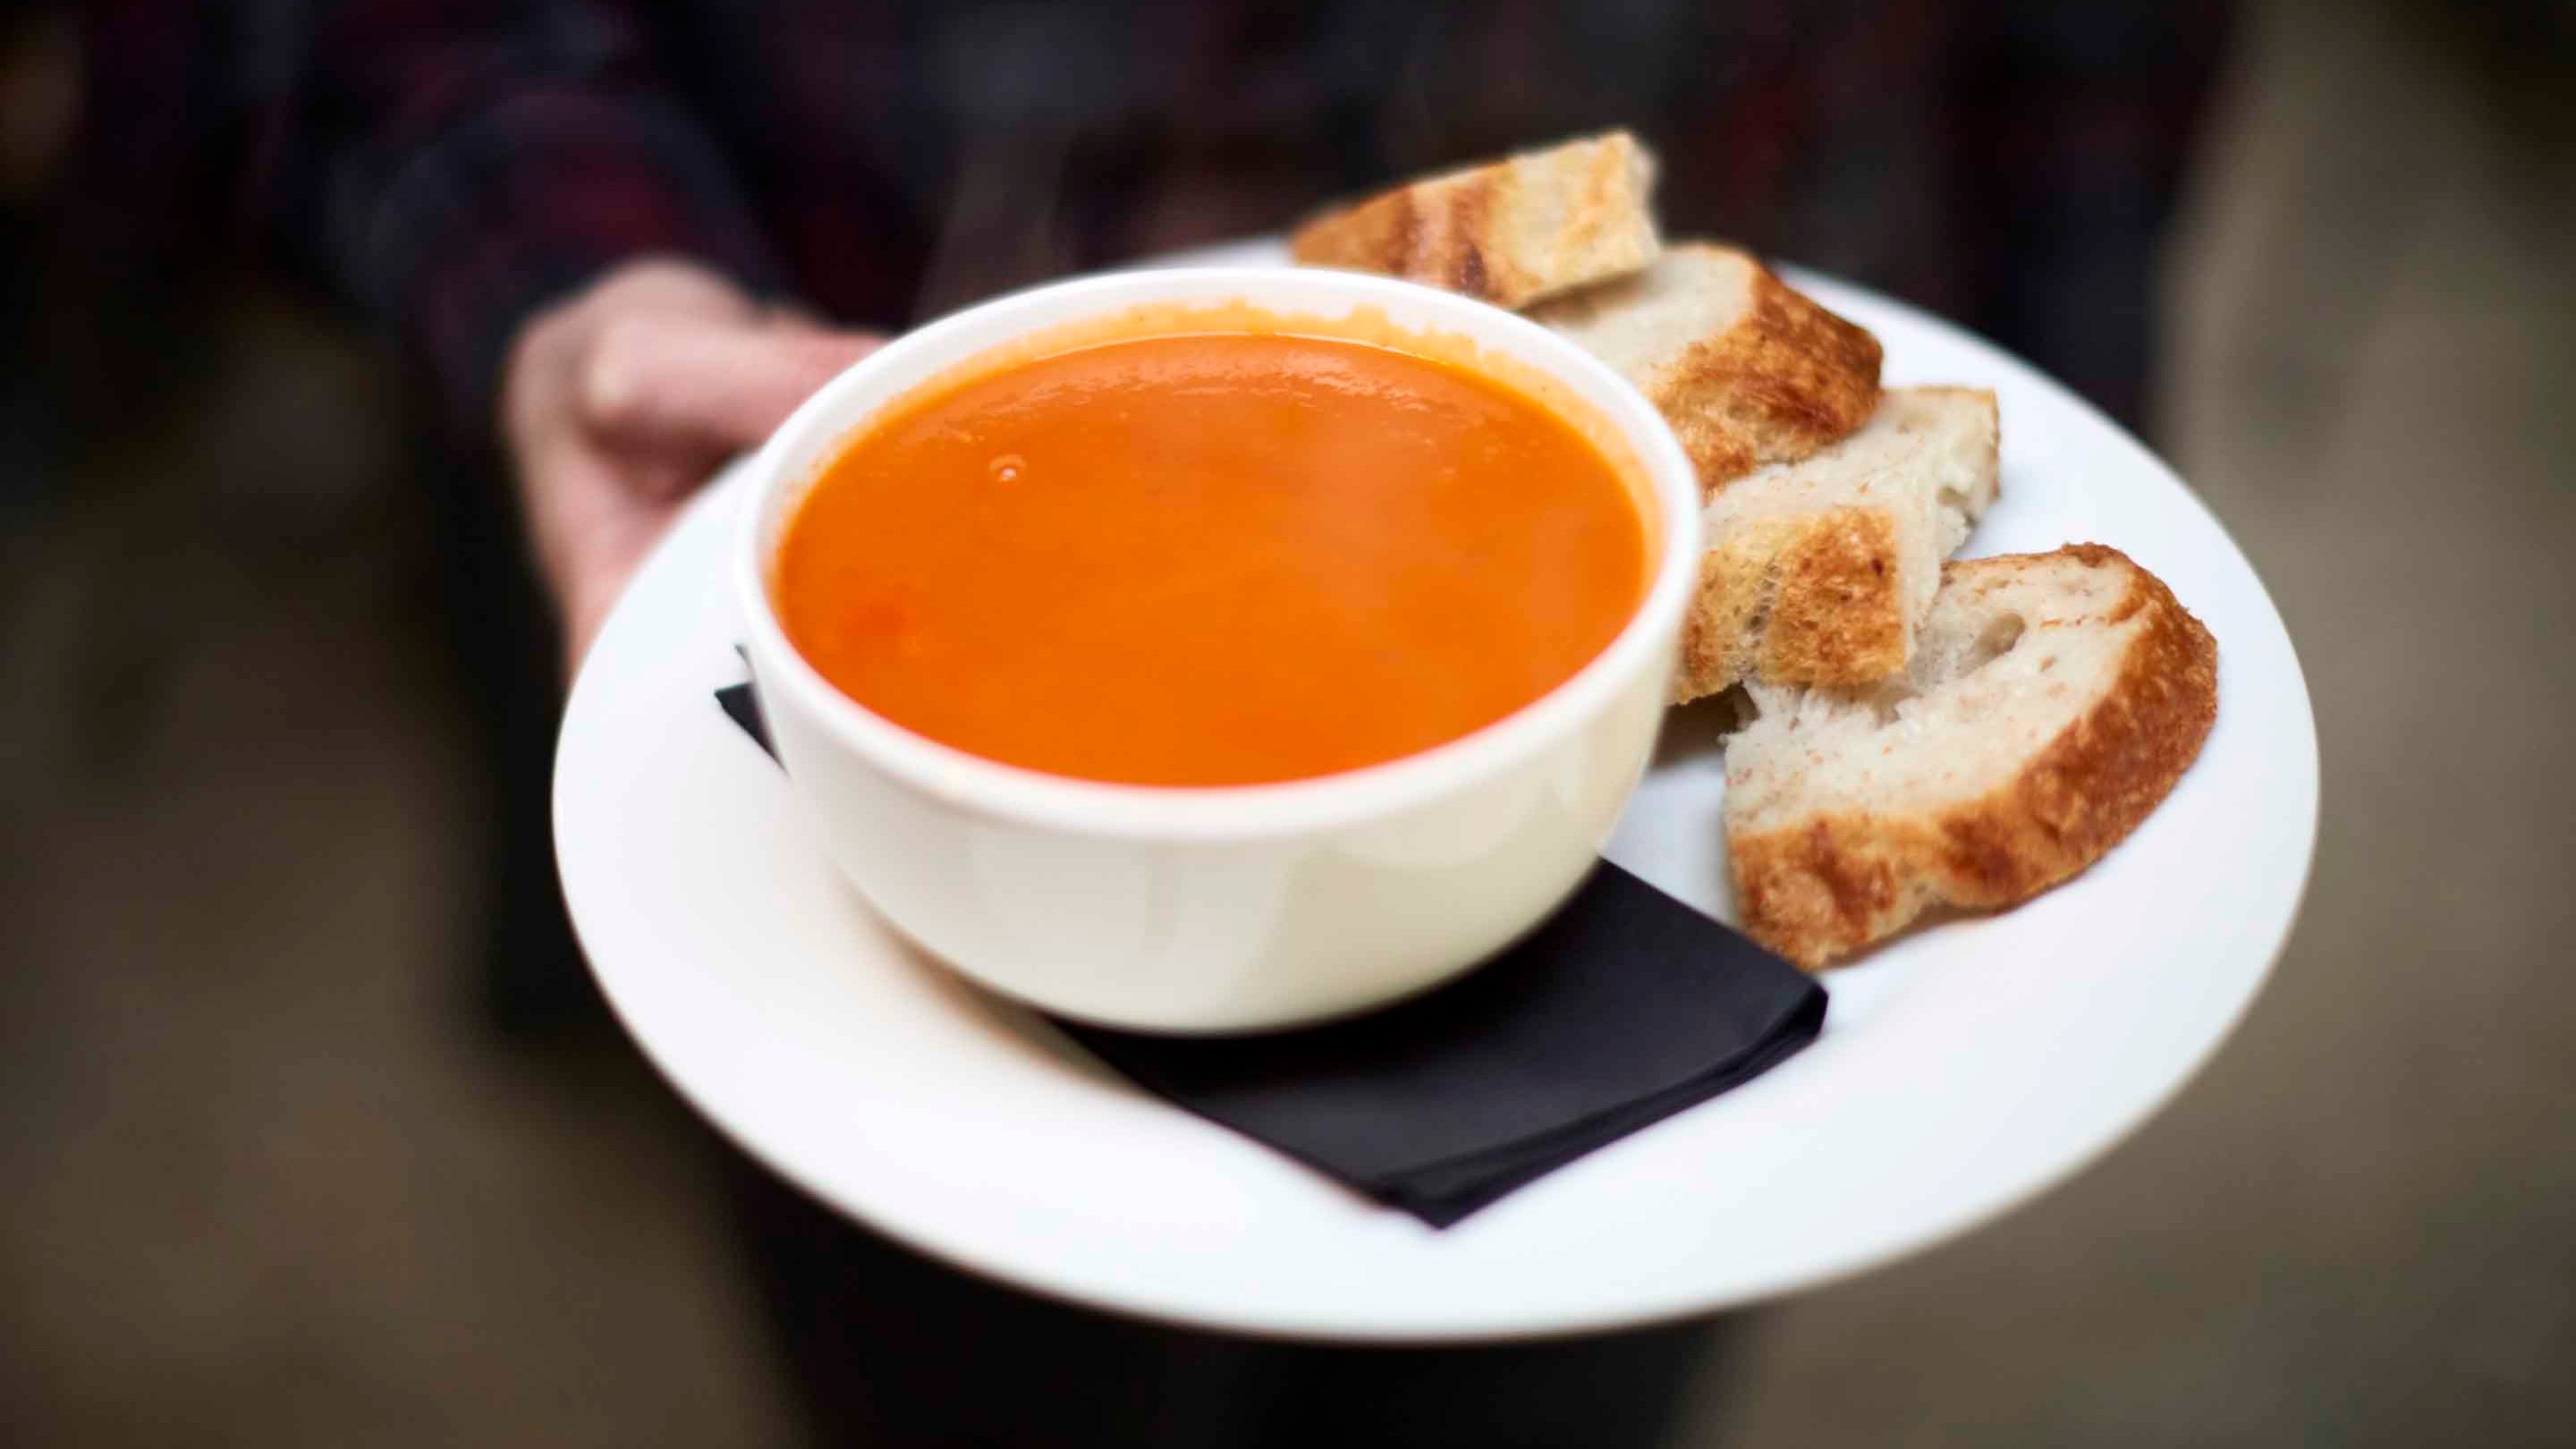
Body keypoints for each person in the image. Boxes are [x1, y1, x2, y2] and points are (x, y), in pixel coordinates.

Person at [58, 2, 2230, 1442]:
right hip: (835, 343)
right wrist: (563, 256)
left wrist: (2084, 363)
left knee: (1554, 1390)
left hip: (1758, 281)